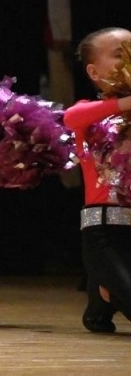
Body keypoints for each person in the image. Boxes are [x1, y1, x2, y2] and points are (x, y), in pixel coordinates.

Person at [62, 26, 131, 333]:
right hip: (104, 233)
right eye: (119, 54)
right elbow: (70, 118)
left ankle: (100, 300)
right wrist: (125, 104)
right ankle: (106, 288)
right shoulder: (90, 113)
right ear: (94, 71)